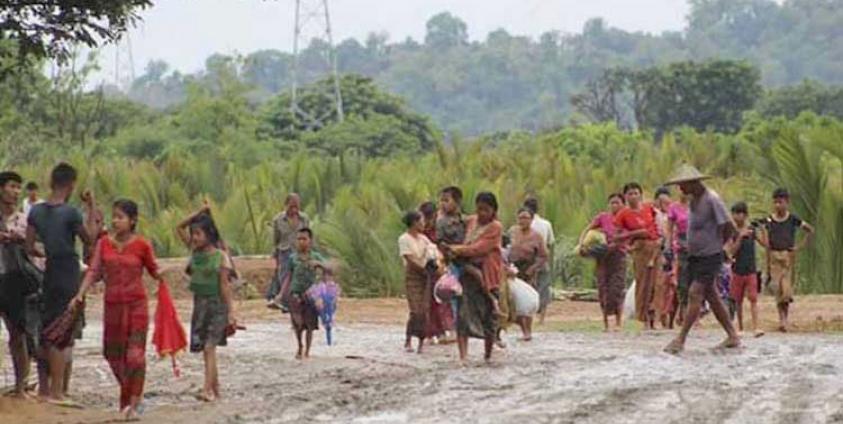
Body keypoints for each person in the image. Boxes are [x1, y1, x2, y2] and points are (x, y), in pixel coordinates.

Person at [69, 199, 163, 419]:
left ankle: (134, 402)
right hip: (112, 307)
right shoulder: (104, 244)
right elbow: (93, 271)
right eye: (114, 217)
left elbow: (154, 270)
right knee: (112, 355)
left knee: (135, 357)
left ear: (133, 220)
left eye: (120, 217)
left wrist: (164, 276)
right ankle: (131, 396)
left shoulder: (142, 245)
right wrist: (80, 293)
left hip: (136, 306)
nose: (115, 221)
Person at [26, 163, 98, 403]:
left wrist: (46, 253)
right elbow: (90, 238)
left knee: (47, 329)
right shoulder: (70, 213)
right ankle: (57, 391)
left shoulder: (36, 212)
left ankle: (45, 389)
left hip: (50, 272)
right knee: (62, 331)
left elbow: (29, 247)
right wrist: (91, 206)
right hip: (67, 271)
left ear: (51, 182)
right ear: (71, 185)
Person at [663, 165, 740, 354]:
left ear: (693, 183)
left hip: (710, 256)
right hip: (695, 256)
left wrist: (722, 247)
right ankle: (732, 335)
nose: (680, 188)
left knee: (694, 293)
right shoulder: (694, 201)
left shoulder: (712, 199)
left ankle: (681, 339)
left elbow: (729, 226)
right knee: (712, 296)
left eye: (683, 184)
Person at [176, 205, 237, 402]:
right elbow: (178, 227)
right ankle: (216, 390)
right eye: (193, 233)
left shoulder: (220, 257)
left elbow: (225, 287)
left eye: (198, 233)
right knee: (206, 349)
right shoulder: (194, 252)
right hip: (200, 306)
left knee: (210, 348)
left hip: (217, 307)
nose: (194, 237)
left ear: (209, 235)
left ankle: (207, 390)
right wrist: (199, 212)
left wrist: (231, 314)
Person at [444, 192, 503, 362]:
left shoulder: (495, 227)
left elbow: (479, 248)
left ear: (493, 210)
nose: (482, 213)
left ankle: (487, 355)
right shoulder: (471, 221)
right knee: (462, 314)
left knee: (488, 316)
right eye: (479, 209)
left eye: (486, 210)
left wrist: (456, 249)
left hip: (487, 275)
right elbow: (454, 222)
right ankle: (463, 357)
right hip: (467, 273)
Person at [760, 188, 814, 332]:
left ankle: (785, 317)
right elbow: (762, 235)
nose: (778, 205)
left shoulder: (793, 219)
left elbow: (810, 230)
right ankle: (782, 319)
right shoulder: (769, 220)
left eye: (780, 202)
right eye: (775, 202)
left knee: (786, 290)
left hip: (787, 257)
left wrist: (798, 247)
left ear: (787, 202)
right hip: (774, 257)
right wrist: (762, 242)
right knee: (778, 289)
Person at [0, 171, 33, 397]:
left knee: (17, 333)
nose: (16, 191)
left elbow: (35, 247)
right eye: (12, 186)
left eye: (18, 187)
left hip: (13, 279)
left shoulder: (23, 220)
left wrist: (20, 240)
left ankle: (21, 385)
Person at [614, 182, 660, 330]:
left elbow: (657, 225)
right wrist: (633, 237)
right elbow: (617, 236)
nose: (633, 196)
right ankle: (643, 317)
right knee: (643, 283)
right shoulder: (623, 214)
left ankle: (654, 318)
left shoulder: (648, 208)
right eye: (630, 194)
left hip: (655, 247)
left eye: (636, 193)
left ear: (640, 194)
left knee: (656, 283)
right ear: (626, 196)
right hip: (639, 248)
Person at [579, 193, 627, 332]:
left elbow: (629, 236)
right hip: (602, 257)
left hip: (619, 256)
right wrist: (582, 244)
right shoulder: (603, 217)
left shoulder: (626, 218)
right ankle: (606, 323)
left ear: (623, 205)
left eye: (617, 203)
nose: (614, 205)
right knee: (603, 288)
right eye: (612, 203)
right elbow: (588, 229)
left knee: (616, 289)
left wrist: (617, 244)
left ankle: (618, 322)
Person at [398, 211, 439, 353]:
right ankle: (409, 339)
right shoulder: (404, 239)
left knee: (424, 310)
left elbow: (433, 252)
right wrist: (423, 268)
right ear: (414, 223)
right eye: (421, 221)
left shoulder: (424, 239)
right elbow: (410, 259)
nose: (424, 224)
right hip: (413, 277)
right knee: (415, 311)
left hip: (425, 276)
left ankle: (421, 342)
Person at [283, 228, 326, 359]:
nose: (301, 242)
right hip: (295, 294)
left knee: (309, 325)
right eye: (299, 239)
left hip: (311, 295)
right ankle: (300, 345)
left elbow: (328, 270)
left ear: (310, 241)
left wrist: (319, 264)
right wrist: (281, 294)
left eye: (304, 239)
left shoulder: (316, 257)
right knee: (298, 323)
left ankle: (307, 350)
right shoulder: (292, 258)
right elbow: (288, 277)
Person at [724, 202, 764, 337]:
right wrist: (740, 237)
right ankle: (740, 327)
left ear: (745, 215)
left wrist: (763, 230)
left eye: (738, 213)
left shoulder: (752, 230)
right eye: (734, 213)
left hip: (751, 269)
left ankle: (756, 327)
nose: (735, 216)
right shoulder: (732, 232)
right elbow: (731, 251)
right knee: (738, 300)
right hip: (737, 270)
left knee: (753, 298)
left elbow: (765, 244)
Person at [507, 207, 547, 340]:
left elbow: (543, 256)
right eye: (520, 218)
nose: (522, 221)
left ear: (531, 219)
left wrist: (533, 268)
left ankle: (527, 332)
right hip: (512, 269)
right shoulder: (512, 232)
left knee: (527, 301)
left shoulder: (537, 236)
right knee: (511, 300)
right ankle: (516, 326)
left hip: (528, 270)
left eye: (526, 218)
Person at [419, 201, 453, 343]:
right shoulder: (422, 231)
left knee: (441, 301)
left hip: (440, 268)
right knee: (430, 302)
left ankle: (443, 330)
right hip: (427, 269)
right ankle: (432, 332)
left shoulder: (439, 229)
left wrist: (443, 263)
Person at [267, 194, 309, 310]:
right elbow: (276, 239)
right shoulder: (278, 220)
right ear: (286, 205)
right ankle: (285, 302)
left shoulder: (304, 219)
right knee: (284, 276)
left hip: (299, 251)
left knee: (299, 276)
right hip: (284, 251)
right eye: (291, 207)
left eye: (296, 207)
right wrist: (276, 255)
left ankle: (295, 301)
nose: (294, 210)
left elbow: (307, 235)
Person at [523, 197, 554, 324]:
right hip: (543, 259)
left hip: (528, 260)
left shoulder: (524, 223)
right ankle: (542, 319)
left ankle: (529, 316)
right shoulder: (546, 224)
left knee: (529, 287)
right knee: (543, 287)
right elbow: (550, 243)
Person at [652, 187, 676, 329]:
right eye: (662, 202)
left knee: (670, 286)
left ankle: (667, 317)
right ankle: (657, 316)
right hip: (660, 250)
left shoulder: (671, 215)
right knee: (659, 285)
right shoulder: (654, 214)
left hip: (672, 250)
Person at [667, 191, 691, 326]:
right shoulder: (673, 208)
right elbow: (670, 229)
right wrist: (669, 246)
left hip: (696, 244)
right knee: (682, 282)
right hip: (681, 246)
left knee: (696, 281)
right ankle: (683, 312)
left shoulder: (696, 206)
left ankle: (692, 315)